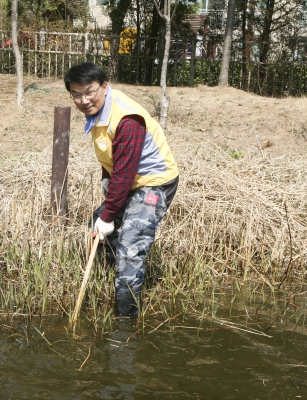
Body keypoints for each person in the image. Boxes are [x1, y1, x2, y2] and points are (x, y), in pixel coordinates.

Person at [64, 62, 179, 318]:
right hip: (131, 178)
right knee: (100, 224)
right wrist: (107, 185)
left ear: (105, 86)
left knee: (130, 243)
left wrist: (109, 214)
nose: (84, 100)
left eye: (90, 91)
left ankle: (126, 320)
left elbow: (126, 172)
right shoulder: (98, 111)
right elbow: (111, 155)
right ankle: (108, 279)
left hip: (155, 182)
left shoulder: (127, 118)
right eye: (77, 95)